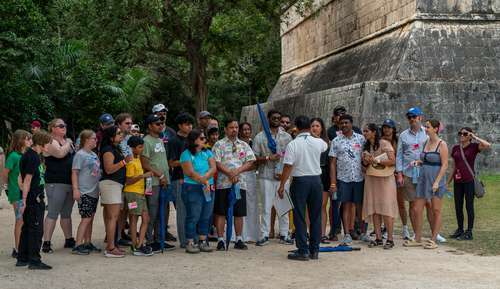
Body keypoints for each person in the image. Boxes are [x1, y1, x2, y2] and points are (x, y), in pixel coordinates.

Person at [278, 115, 328, 261]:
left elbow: (288, 166)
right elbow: (325, 145)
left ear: (296, 127)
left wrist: (282, 184)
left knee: (300, 216)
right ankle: (314, 250)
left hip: (300, 181)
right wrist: (312, 135)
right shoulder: (318, 141)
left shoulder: (293, 144)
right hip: (316, 181)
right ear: (309, 126)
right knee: (315, 216)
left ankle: (303, 250)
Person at [397, 108, 446, 245]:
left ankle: (434, 234)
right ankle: (416, 233)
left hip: (426, 175)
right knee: (414, 205)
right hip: (409, 173)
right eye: (409, 117)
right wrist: (399, 173)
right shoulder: (403, 135)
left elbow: (442, 160)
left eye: (414, 116)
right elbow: (399, 155)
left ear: (420, 117)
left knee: (431, 205)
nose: (412, 119)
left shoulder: (428, 134)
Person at [212, 118, 256, 251]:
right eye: (231, 127)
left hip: (239, 183)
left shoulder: (244, 144)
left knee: (239, 213)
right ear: (225, 129)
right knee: (221, 212)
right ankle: (220, 239)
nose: (235, 130)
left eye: (236, 127)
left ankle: (239, 239)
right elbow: (216, 162)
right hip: (223, 183)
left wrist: (237, 171)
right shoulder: (218, 145)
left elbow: (250, 161)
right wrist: (229, 173)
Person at [254, 110, 293, 246]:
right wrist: (267, 157)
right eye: (274, 118)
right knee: (266, 206)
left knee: (283, 206)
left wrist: (284, 173)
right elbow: (254, 158)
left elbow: (291, 157)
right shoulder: (260, 137)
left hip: (282, 176)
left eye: (278, 118)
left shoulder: (287, 137)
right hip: (266, 175)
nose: (276, 120)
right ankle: (264, 234)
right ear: (268, 119)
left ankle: (284, 234)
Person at [16, 131, 53, 270]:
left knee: (27, 227)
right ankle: (34, 260)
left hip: (30, 196)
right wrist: (25, 199)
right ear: (41, 143)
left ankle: (22, 257)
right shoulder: (33, 157)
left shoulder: (29, 155)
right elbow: (27, 179)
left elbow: (21, 177)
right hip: (33, 198)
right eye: (48, 143)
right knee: (36, 229)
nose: (49, 146)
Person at [410, 119, 448, 249]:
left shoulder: (442, 144)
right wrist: (418, 162)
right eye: (425, 127)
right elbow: (425, 159)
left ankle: (433, 240)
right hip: (423, 179)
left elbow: (444, 165)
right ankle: (418, 238)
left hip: (435, 180)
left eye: (428, 127)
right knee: (417, 209)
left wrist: (437, 182)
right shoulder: (426, 142)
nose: (426, 129)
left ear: (436, 129)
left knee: (436, 210)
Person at [448, 127, 491, 241]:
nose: (461, 135)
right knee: (458, 206)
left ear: (469, 135)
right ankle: (460, 229)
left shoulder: (473, 147)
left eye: (464, 133)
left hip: (469, 181)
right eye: (460, 133)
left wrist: (475, 137)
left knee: (469, 206)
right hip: (458, 181)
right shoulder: (455, 148)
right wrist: (448, 182)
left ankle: (469, 232)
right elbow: (454, 167)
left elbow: (487, 145)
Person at [326, 106, 362, 240]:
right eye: (342, 123)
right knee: (345, 204)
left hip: (358, 177)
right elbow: (332, 163)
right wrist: (333, 182)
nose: (344, 125)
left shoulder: (360, 139)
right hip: (343, 178)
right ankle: (345, 233)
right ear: (338, 124)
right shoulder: (335, 140)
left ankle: (356, 230)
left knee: (356, 205)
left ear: (352, 124)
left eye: (346, 122)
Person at [361, 123, 398, 249]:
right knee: (375, 209)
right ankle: (378, 237)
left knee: (386, 208)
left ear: (374, 132)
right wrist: (366, 161)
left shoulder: (384, 143)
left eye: (366, 131)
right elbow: (364, 166)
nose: (364, 133)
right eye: (364, 131)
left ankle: (390, 239)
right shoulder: (366, 145)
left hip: (385, 179)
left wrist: (376, 160)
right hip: (371, 178)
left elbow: (393, 161)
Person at [180, 129, 216, 253]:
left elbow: (213, 168)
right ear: (193, 140)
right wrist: (203, 180)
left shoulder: (208, 152)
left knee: (206, 215)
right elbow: (189, 172)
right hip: (192, 187)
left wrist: (205, 179)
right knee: (193, 215)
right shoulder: (186, 154)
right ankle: (189, 242)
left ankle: (202, 240)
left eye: (204, 138)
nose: (204, 140)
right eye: (201, 138)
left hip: (208, 187)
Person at [42, 118, 76, 253]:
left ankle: (69, 239)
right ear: (52, 128)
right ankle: (46, 242)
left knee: (66, 213)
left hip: (69, 182)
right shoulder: (50, 141)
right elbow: (60, 153)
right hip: (55, 182)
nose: (64, 127)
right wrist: (68, 142)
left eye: (65, 125)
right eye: (61, 125)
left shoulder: (66, 142)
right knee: (53, 213)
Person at [141, 114, 174, 252]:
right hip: (153, 182)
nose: (160, 126)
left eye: (161, 123)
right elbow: (145, 162)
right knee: (152, 211)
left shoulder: (160, 140)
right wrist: (160, 175)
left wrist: (164, 176)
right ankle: (149, 240)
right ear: (149, 126)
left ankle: (159, 238)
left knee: (163, 211)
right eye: (157, 124)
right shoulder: (146, 141)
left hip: (164, 181)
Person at [3, 130, 32, 258]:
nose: (30, 141)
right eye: (27, 139)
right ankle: (17, 248)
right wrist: (8, 187)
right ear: (20, 140)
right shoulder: (13, 156)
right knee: (20, 220)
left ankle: (24, 247)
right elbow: (5, 173)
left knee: (26, 220)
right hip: (17, 193)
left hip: (26, 192)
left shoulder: (27, 155)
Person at [71, 130, 101, 255]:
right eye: (93, 138)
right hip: (84, 191)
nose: (96, 140)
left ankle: (87, 242)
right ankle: (78, 244)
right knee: (86, 218)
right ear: (86, 140)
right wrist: (76, 189)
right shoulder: (80, 155)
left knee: (90, 218)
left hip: (94, 190)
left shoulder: (94, 154)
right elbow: (74, 172)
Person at [99, 126, 127, 257]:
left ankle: (113, 245)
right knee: (112, 217)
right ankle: (110, 247)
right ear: (111, 137)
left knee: (114, 217)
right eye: (118, 133)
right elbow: (109, 169)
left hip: (115, 185)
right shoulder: (108, 150)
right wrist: (123, 162)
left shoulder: (114, 149)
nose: (121, 135)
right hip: (110, 184)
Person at [168, 112, 195, 248]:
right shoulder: (174, 141)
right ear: (180, 125)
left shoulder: (193, 140)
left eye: (191, 124)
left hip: (194, 179)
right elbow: (171, 163)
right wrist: (187, 162)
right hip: (179, 179)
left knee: (194, 209)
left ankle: (192, 238)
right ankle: (184, 241)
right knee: (182, 211)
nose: (189, 126)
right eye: (186, 124)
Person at [123, 136, 154, 256]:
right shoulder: (131, 161)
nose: (142, 149)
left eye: (142, 147)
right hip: (132, 193)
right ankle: (136, 245)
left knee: (145, 219)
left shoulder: (138, 159)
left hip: (140, 193)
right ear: (133, 148)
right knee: (134, 218)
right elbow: (128, 180)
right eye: (140, 147)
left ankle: (139, 244)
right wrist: (143, 176)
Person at [381, 119, 409, 240]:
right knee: (385, 203)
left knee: (400, 203)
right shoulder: (380, 141)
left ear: (393, 129)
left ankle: (405, 228)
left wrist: (400, 172)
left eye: (389, 127)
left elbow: (401, 157)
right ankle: (386, 228)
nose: (387, 129)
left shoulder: (398, 141)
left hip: (397, 174)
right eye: (385, 127)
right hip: (384, 174)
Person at [310, 118, 332, 243]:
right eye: (312, 125)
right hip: (310, 174)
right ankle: (310, 233)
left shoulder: (327, 143)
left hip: (324, 175)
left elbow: (331, 163)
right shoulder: (306, 142)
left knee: (322, 206)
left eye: (317, 125)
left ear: (322, 128)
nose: (315, 128)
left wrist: (332, 182)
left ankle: (322, 234)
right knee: (309, 206)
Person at [239, 122, 260, 243]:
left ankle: (252, 234)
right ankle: (241, 233)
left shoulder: (254, 143)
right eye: (244, 129)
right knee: (240, 203)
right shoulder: (237, 145)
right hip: (240, 175)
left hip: (251, 176)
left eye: (248, 129)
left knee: (252, 204)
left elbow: (256, 161)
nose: (246, 132)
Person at [115, 113, 134, 246]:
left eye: (130, 123)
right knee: (118, 208)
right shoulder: (115, 139)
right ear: (119, 125)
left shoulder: (131, 138)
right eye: (127, 123)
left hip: (131, 178)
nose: (130, 125)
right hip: (118, 177)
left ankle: (121, 233)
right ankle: (113, 235)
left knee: (127, 208)